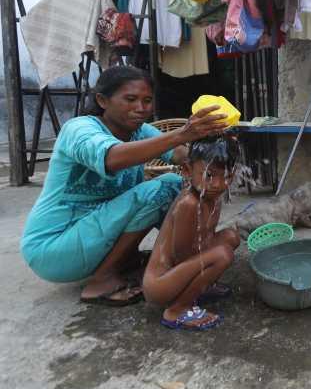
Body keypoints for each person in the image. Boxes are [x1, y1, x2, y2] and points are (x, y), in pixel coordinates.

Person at [20, 66, 228, 306]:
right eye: (130, 99)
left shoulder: (139, 131)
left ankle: (171, 264)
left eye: (147, 100)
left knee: (185, 186)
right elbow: (112, 158)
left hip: (93, 238)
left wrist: (214, 144)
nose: (141, 108)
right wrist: (182, 133)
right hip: (53, 248)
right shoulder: (79, 129)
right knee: (163, 188)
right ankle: (102, 279)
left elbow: (183, 156)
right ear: (102, 100)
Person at [143, 135, 241, 331]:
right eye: (209, 175)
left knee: (231, 236)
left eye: (227, 176)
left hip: (181, 272)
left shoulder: (212, 197)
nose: (219, 184)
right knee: (222, 254)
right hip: (161, 284)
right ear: (188, 170)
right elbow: (182, 256)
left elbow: (204, 239)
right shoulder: (189, 204)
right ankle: (178, 309)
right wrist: (212, 261)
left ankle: (200, 290)